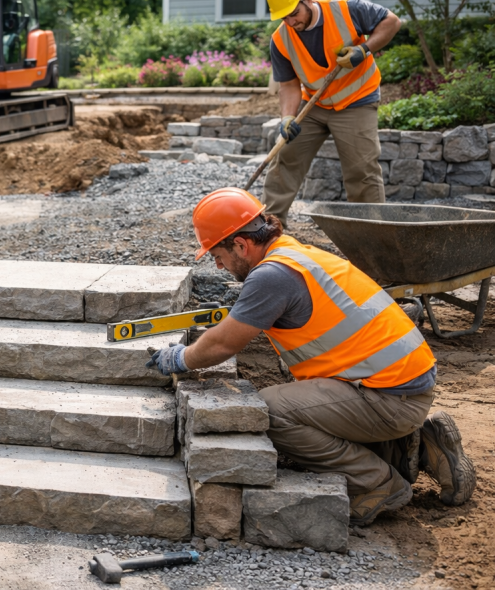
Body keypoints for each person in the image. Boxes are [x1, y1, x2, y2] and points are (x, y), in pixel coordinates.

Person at [150, 188, 476, 526]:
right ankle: (423, 446)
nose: (217, 264)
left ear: (241, 245)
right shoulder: (291, 253)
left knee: (270, 412)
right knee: (312, 406)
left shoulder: (271, 276)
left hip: (390, 396)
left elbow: (223, 345)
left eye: (217, 254)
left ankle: (376, 483)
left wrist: (180, 358)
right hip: (399, 383)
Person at [263, 0, 402, 225]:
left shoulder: (347, 8)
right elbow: (289, 85)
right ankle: (270, 228)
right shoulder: (280, 40)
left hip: (356, 99)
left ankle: (371, 232)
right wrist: (287, 118)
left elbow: (392, 22)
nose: (291, 22)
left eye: (294, 13)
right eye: (284, 17)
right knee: (286, 156)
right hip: (314, 103)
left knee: (361, 170)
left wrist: (364, 49)